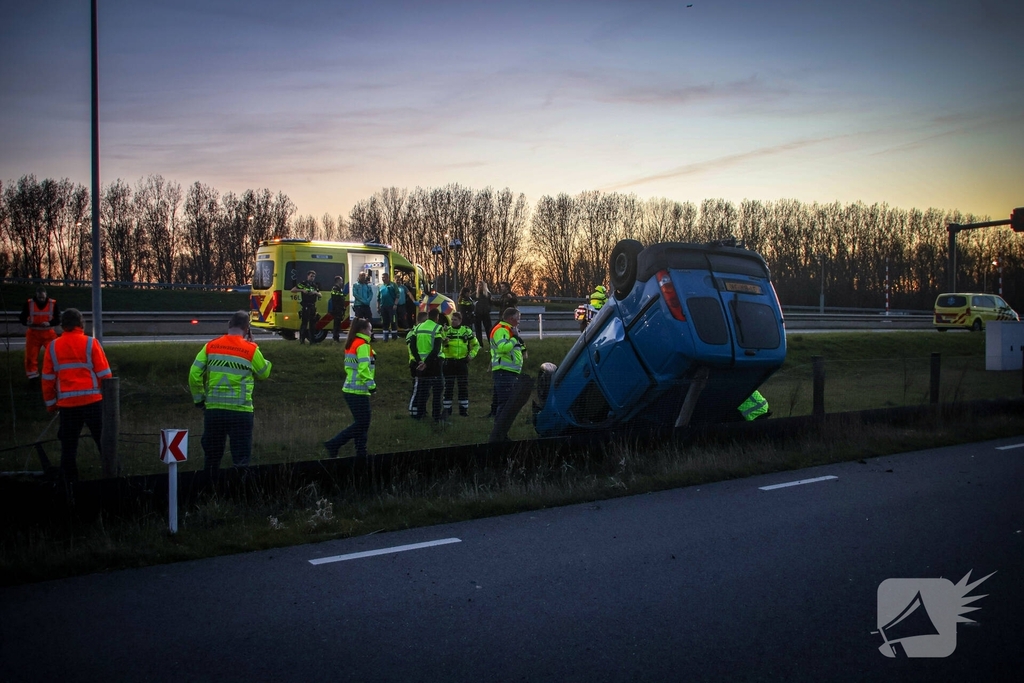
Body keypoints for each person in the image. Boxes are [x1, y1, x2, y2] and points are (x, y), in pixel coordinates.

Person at [189, 311, 273, 472]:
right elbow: (264, 373)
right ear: (247, 329)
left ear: (229, 325)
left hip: (214, 411)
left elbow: (194, 374)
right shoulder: (250, 349)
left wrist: (199, 400)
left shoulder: (211, 346)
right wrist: (256, 348)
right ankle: (238, 486)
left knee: (212, 458)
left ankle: (210, 485)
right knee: (240, 460)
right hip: (240, 412)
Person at [41, 308, 111, 482]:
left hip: (67, 405)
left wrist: (51, 404)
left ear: (62, 325)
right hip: (93, 402)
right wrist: (107, 399)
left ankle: (70, 483)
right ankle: (112, 477)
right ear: (81, 324)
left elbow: (48, 379)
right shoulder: (91, 343)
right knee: (104, 443)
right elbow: (105, 375)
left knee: (68, 447)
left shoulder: (53, 347)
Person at [324, 318, 375, 458]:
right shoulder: (363, 345)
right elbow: (363, 369)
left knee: (361, 423)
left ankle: (361, 452)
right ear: (363, 330)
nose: (371, 332)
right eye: (370, 329)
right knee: (362, 424)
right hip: (358, 390)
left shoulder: (352, 343)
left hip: (350, 388)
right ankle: (334, 443)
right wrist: (372, 386)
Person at [489, 307, 526, 419]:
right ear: (511, 319)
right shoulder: (501, 330)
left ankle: (501, 426)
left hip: (509, 371)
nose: (519, 322)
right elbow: (503, 348)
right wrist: (515, 338)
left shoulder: (510, 330)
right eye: (518, 319)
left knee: (507, 402)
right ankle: (500, 428)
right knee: (505, 403)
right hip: (504, 371)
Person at [408, 308, 444, 422]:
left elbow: (412, 346)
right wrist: (426, 363)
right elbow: (436, 349)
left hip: (420, 364)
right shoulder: (437, 328)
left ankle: (420, 415)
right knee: (437, 391)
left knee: (422, 390)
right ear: (437, 317)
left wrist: (420, 361)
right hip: (434, 364)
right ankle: (436, 416)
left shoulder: (418, 327)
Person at [442, 311, 480, 416]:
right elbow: (439, 346)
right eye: (452, 320)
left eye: (455, 320)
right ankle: (447, 410)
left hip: (462, 362)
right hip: (449, 362)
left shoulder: (466, 331)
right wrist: (444, 342)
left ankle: (463, 411)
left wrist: (471, 355)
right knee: (448, 387)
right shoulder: (446, 331)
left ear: (460, 320)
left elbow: (476, 345)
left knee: (463, 387)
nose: (452, 322)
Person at [20, 286, 61, 383]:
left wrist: (49, 323)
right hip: (33, 334)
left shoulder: (52, 303)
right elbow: (22, 317)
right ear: (36, 296)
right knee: (30, 357)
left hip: (48, 333)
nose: (41, 300)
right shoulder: (29, 303)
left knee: (55, 354)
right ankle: (33, 378)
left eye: (43, 297)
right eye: (39, 298)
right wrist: (27, 322)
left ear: (46, 295)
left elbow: (58, 319)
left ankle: (56, 375)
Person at [291, 270, 321, 344]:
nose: (312, 278)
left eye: (313, 276)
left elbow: (320, 294)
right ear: (308, 276)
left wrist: (315, 293)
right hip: (306, 305)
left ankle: (312, 341)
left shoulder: (314, 285)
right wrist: (302, 290)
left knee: (312, 324)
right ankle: (302, 340)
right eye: (311, 276)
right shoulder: (303, 284)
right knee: (304, 323)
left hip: (312, 306)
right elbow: (293, 290)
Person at [377, 272, 400, 341]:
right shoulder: (380, 286)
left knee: (393, 321)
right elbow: (378, 298)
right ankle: (385, 338)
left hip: (391, 306)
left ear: (388, 278)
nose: (383, 279)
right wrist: (378, 307)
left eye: (384, 277)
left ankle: (394, 337)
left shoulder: (393, 285)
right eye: (382, 278)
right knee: (384, 322)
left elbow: (397, 295)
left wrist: (395, 304)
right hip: (383, 307)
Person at [329, 275, 350, 343]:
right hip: (337, 309)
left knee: (338, 324)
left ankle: (337, 337)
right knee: (336, 324)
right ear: (338, 281)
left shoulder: (339, 288)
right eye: (341, 281)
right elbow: (337, 298)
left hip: (339, 308)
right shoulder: (335, 288)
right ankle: (335, 338)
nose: (342, 282)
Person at [473, 280, 493, 348]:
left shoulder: (488, 294)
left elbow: (491, 303)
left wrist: (488, 309)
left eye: (481, 285)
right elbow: (470, 299)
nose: (479, 286)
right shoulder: (475, 294)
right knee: (478, 330)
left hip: (486, 314)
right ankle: (480, 344)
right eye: (478, 285)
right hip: (477, 314)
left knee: (489, 329)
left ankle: (491, 343)